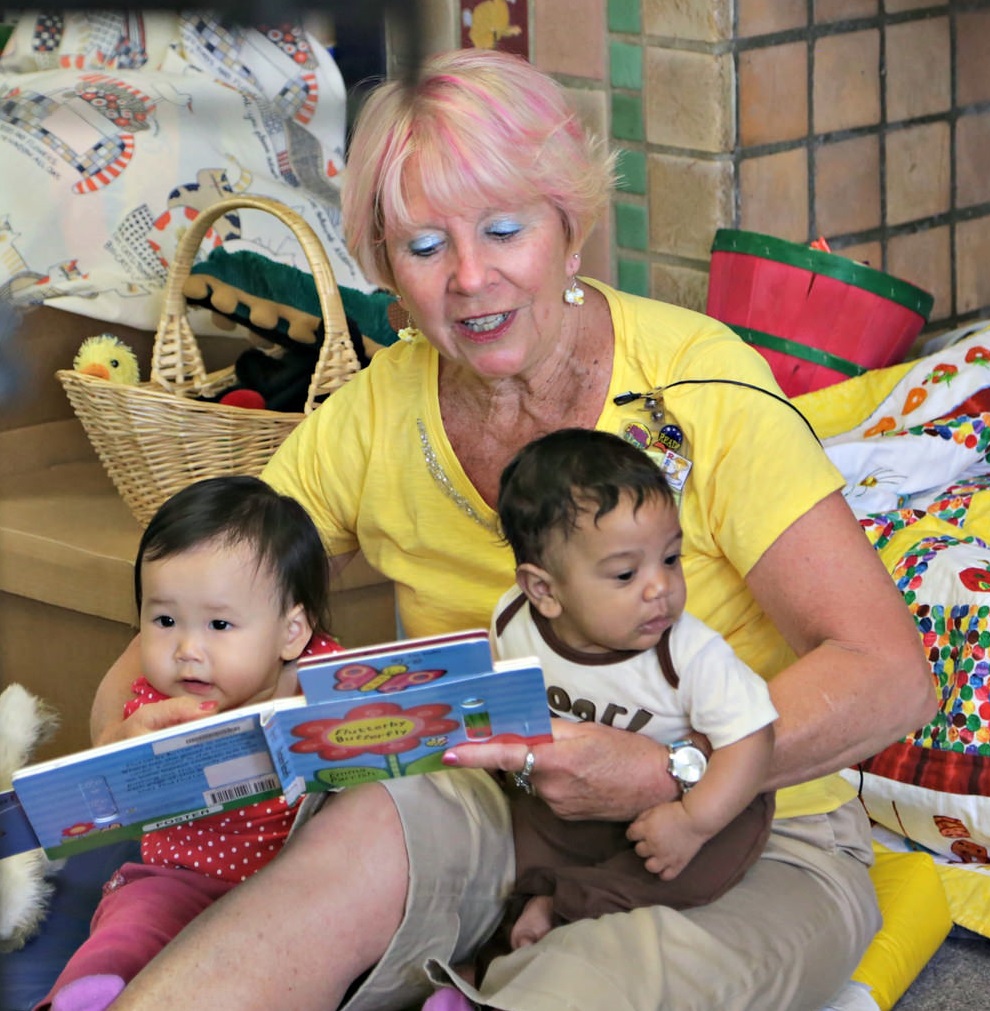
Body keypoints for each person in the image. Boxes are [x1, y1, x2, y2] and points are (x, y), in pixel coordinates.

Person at [89, 48, 935, 1011]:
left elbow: (889, 673)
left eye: (502, 229)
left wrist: (675, 768)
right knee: (351, 842)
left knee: (583, 986)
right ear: (386, 270)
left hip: (751, 831)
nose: (470, 277)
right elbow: (173, 629)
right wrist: (137, 724)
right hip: (492, 809)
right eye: (424, 246)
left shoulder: (699, 383)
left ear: (569, 230)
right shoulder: (370, 417)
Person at [39, 476, 332, 1011]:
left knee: (357, 926)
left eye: (219, 623)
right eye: (166, 620)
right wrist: (121, 754)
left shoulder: (329, 679)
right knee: (131, 921)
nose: (187, 649)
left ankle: (433, 990)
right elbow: (103, 803)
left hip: (299, 886)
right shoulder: (155, 706)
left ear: (292, 633)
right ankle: (89, 991)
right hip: (178, 880)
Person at [488, 428, 776, 955]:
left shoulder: (688, 654)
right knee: (511, 833)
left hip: (696, 801)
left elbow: (752, 740)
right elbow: (511, 698)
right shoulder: (512, 621)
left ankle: (563, 908)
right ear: (544, 590)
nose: (660, 587)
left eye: (670, 559)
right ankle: (524, 911)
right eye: (625, 574)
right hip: (578, 801)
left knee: (695, 865)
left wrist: (693, 821)